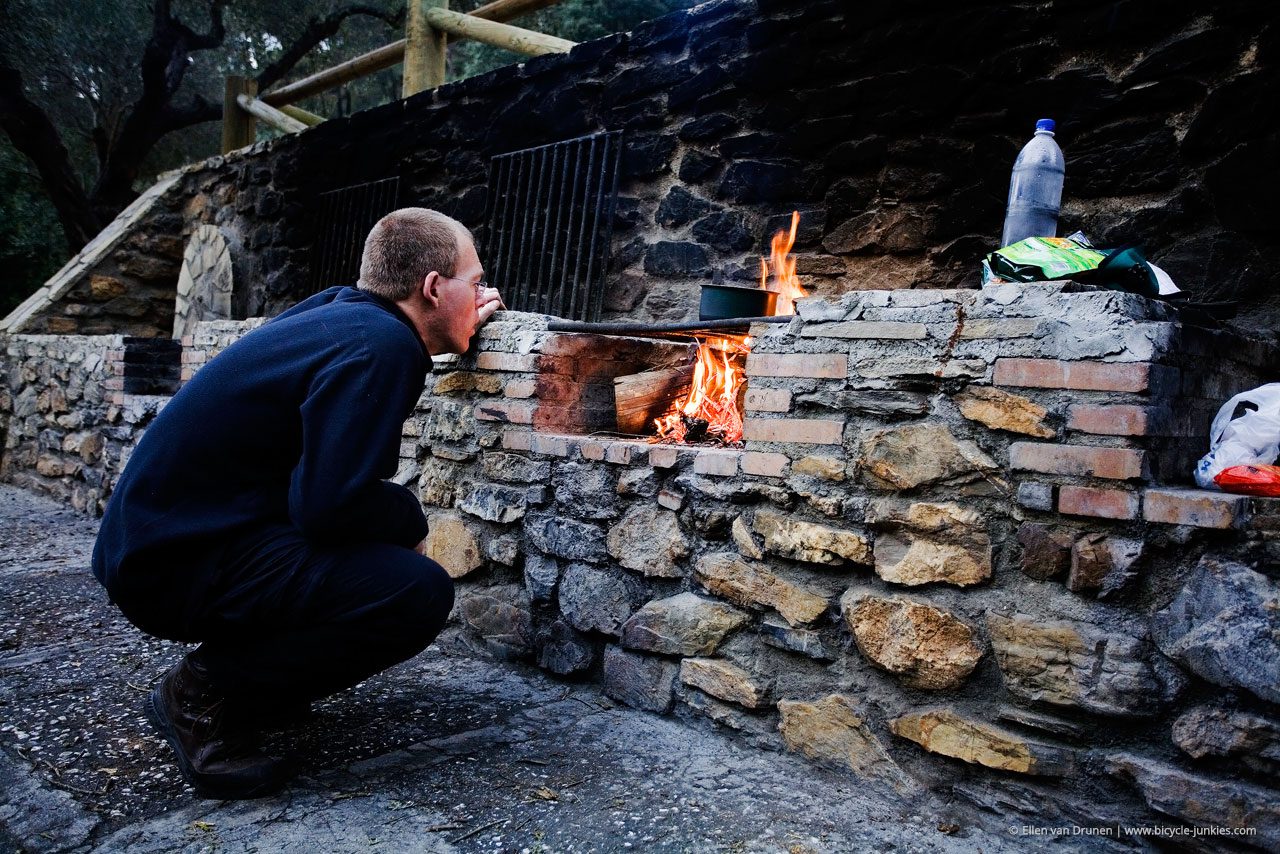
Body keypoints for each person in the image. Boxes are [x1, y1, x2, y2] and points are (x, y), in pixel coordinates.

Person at [91, 208, 504, 800]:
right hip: (174, 563)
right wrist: (409, 520)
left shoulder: (344, 314)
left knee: (376, 563)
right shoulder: (380, 343)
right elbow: (328, 507)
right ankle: (202, 695)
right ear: (433, 288)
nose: (486, 294)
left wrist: (450, 324)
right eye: (476, 281)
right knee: (416, 590)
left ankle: (260, 691)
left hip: (157, 541)